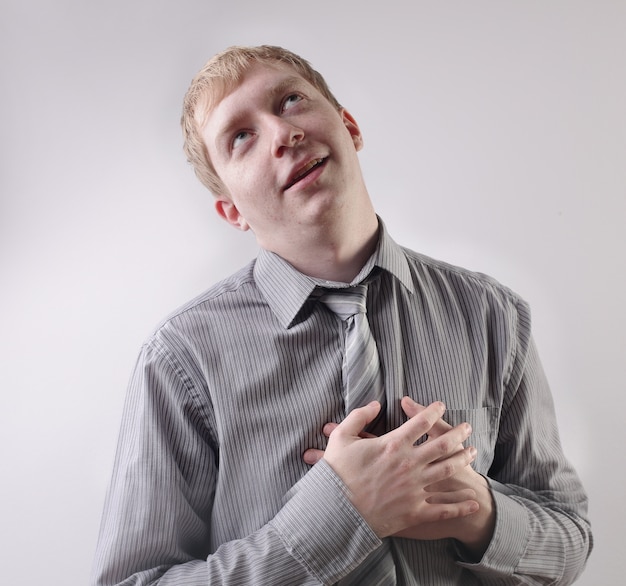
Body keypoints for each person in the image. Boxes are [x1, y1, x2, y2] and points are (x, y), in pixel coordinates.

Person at [92, 45, 592, 585]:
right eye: (241, 136)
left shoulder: (493, 317)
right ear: (231, 210)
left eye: (290, 101)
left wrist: (478, 510)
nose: (283, 134)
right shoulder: (181, 360)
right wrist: (340, 516)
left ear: (349, 126)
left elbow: (570, 541)